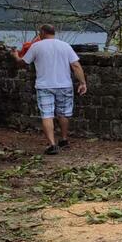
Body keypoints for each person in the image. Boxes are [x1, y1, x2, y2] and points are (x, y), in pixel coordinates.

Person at [12, 24, 88, 155]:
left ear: (42, 32)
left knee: (47, 114)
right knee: (63, 113)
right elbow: (75, 65)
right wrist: (82, 83)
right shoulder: (65, 46)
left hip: (44, 86)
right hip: (64, 85)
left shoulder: (36, 46)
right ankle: (64, 140)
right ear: (54, 32)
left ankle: (52, 145)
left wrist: (15, 56)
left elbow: (22, 63)